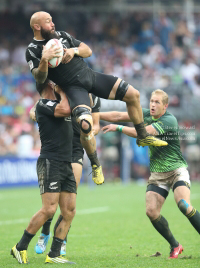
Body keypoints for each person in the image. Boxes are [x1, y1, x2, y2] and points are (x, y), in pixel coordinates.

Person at [25, 12, 168, 185]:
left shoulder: (61, 36)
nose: (53, 24)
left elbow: (88, 50)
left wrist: (74, 50)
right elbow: (39, 78)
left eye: (52, 20)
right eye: (48, 22)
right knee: (86, 125)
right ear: (37, 26)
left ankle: (143, 135)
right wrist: (44, 60)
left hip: (91, 77)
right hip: (74, 88)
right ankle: (95, 164)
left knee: (133, 94)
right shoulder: (32, 50)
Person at [100, 89, 200, 258]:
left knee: (183, 204)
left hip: (176, 170)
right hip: (158, 173)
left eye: (157, 102)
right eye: (152, 101)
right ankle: (175, 245)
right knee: (151, 211)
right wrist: (94, 114)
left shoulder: (169, 120)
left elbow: (143, 133)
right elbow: (118, 115)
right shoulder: (145, 114)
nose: (153, 105)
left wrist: (118, 128)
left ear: (165, 106)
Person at [11, 80, 76, 264]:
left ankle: (54, 254)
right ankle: (20, 247)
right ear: (49, 87)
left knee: (69, 210)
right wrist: (62, 90)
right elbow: (64, 110)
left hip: (66, 162)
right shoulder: (43, 104)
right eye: (54, 83)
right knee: (49, 209)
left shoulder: (60, 103)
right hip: (50, 161)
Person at [31, 91, 101, 256]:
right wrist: (37, 115)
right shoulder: (58, 91)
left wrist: (88, 129)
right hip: (56, 146)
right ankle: (45, 232)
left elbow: (96, 124)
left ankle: (61, 241)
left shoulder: (93, 97)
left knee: (68, 203)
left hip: (75, 147)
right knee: (51, 202)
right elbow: (34, 110)